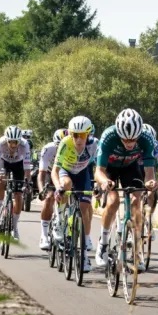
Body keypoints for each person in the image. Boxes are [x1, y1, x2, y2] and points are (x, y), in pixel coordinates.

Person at [94, 108, 158, 268]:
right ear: (119, 134)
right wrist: (103, 182)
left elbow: (150, 173)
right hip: (110, 168)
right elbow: (98, 171)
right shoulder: (108, 137)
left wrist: (150, 183)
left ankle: (137, 251)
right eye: (125, 140)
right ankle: (103, 242)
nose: (129, 143)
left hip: (130, 167)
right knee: (114, 201)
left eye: (133, 140)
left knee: (137, 200)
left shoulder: (146, 138)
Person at [51, 117, 99, 272]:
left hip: (83, 172)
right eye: (75, 135)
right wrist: (58, 187)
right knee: (66, 185)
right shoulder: (65, 143)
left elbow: (100, 168)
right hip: (67, 171)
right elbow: (55, 171)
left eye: (82, 135)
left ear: (88, 134)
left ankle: (84, 256)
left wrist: (99, 184)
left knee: (85, 208)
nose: (78, 139)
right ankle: (59, 220)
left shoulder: (94, 144)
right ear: (70, 134)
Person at [0, 126, 32, 240]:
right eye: (10, 142)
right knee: (1, 180)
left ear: (19, 140)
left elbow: (27, 168)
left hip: (18, 164)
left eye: (15, 143)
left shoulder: (25, 145)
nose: (13, 146)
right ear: (6, 140)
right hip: (4, 162)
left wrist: (26, 181)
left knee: (19, 196)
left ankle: (14, 227)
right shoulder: (1, 143)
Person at [37, 128, 67, 250]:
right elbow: (41, 173)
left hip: (65, 173)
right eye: (59, 146)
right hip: (50, 173)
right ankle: (44, 235)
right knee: (49, 198)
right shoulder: (48, 149)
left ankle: (66, 231)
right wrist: (41, 191)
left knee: (69, 197)